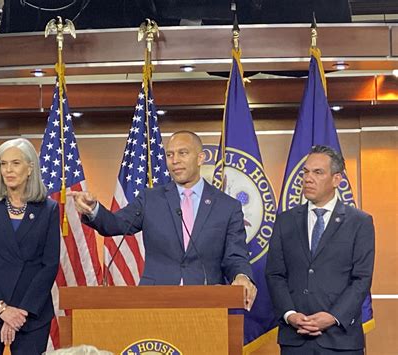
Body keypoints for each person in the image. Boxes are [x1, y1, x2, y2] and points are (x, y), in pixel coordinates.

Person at [69, 130, 257, 310]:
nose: (175, 161)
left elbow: (235, 255)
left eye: (183, 153)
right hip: (154, 301)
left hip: (207, 303)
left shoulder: (227, 206)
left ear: (201, 158)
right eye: (170, 155)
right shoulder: (150, 199)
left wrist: (242, 276)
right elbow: (113, 224)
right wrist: (93, 209)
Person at [266, 145, 375, 355]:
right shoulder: (285, 221)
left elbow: (361, 278)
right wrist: (290, 315)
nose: (308, 178)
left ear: (336, 179)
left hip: (340, 340)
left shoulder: (359, 222)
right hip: (295, 340)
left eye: (318, 172)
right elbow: (274, 274)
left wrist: (333, 316)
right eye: (305, 172)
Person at [0, 138, 60, 354]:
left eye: (16, 163)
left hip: (30, 311)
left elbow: (49, 264)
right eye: (3, 163)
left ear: (30, 168)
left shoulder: (48, 209)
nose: (8, 170)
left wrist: (20, 312)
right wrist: (1, 309)